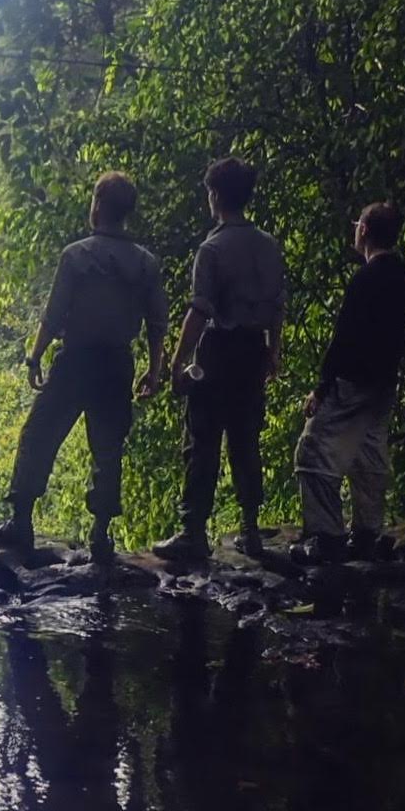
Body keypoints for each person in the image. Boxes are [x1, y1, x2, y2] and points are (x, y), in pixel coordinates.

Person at [0, 172, 168, 563]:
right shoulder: (145, 263)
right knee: (107, 448)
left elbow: (54, 312)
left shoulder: (77, 255)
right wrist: (154, 370)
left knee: (39, 434)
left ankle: (20, 522)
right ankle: (100, 534)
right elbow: (158, 322)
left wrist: (35, 355)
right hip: (117, 364)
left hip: (75, 359)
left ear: (97, 205)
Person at [152, 158, 287, 561]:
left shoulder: (212, 248)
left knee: (202, 440)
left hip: (218, 351)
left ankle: (194, 531)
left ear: (214, 196)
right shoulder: (269, 245)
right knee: (246, 439)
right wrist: (273, 352)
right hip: (252, 349)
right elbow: (277, 307)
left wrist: (177, 363)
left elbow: (199, 311)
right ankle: (250, 530)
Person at [293, 202, 405, 563]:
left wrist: (322, 386)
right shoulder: (403, 278)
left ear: (363, 230)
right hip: (384, 383)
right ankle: (366, 533)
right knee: (369, 455)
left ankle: (326, 537)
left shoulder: (366, 279)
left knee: (312, 454)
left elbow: (345, 337)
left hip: (353, 381)